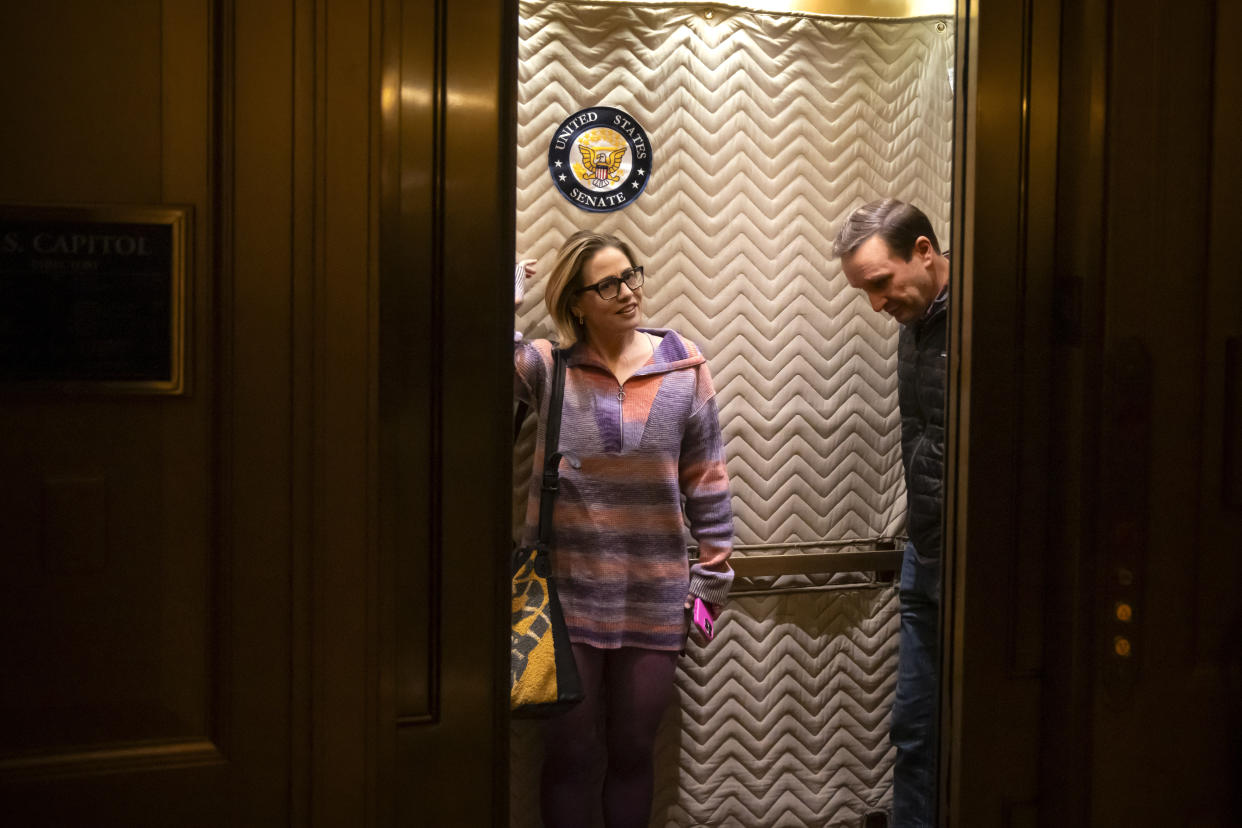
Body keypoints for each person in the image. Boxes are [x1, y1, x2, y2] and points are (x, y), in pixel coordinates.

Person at [513, 230, 734, 828]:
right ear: (576, 302)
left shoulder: (685, 364)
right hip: (564, 595)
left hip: (656, 594)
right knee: (569, 754)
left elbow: (707, 477)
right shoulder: (546, 366)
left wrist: (711, 586)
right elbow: (470, 376)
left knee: (634, 753)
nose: (627, 291)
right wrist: (506, 297)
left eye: (630, 275)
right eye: (607, 284)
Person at [832, 200, 949, 828]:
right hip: (923, 557)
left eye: (880, 284)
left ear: (924, 251)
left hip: (971, 563)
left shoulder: (977, 319)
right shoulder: (920, 320)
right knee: (913, 729)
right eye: (865, 291)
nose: (876, 305)